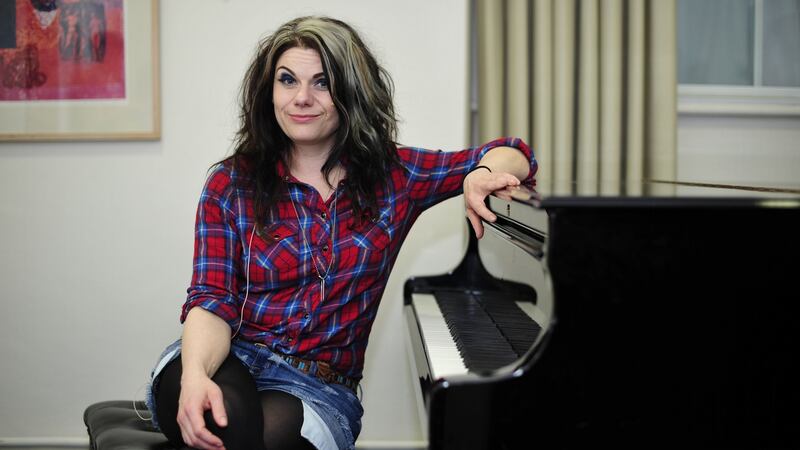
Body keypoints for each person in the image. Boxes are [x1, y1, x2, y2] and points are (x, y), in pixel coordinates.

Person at [145, 15, 537, 450]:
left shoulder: (396, 176)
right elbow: (211, 301)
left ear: (351, 92)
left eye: (322, 82)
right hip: (225, 356)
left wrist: (482, 174)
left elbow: (515, 153)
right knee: (223, 420)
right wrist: (196, 374)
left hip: (317, 388)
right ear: (268, 90)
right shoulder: (230, 183)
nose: (301, 98)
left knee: (256, 439)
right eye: (287, 80)